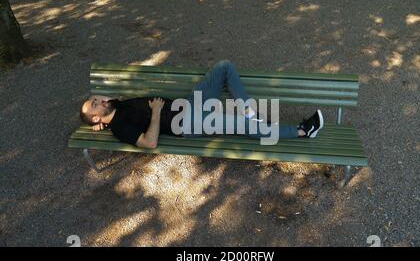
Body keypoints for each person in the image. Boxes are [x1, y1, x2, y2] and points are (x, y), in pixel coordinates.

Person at [79, 60, 324, 148]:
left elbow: (107, 105)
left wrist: (101, 120)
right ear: (97, 116)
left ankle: (250, 112)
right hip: (188, 123)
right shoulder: (120, 126)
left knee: (224, 66)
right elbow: (149, 143)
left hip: (189, 105)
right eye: (94, 104)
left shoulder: (115, 110)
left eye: (95, 99)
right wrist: (155, 113)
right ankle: (303, 131)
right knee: (245, 126)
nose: (98, 99)